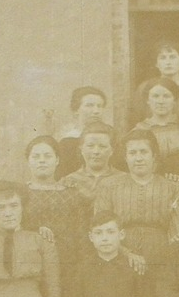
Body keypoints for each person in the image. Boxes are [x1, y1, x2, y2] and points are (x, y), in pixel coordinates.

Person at [92, 130, 179, 264]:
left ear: (154, 156)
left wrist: (165, 258)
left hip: (162, 256)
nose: (138, 158)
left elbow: (177, 231)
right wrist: (126, 254)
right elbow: (101, 227)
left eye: (144, 152)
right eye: (132, 153)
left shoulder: (173, 188)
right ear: (125, 157)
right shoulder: (109, 186)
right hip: (118, 255)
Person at [22, 134, 88, 264]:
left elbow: (81, 236)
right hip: (30, 262)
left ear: (57, 160)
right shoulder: (20, 194)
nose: (42, 160)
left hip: (67, 262)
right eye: (36, 156)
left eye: (48, 156)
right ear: (28, 161)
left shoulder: (72, 193)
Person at [56, 87, 113, 177]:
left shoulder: (112, 137)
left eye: (100, 106)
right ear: (76, 110)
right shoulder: (67, 142)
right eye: (89, 105)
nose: (96, 111)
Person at [59, 122, 122, 202]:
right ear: (81, 149)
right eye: (90, 146)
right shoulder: (67, 181)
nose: (96, 151)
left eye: (102, 146)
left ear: (112, 150)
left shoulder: (124, 180)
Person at [128, 77, 179, 157]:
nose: (161, 101)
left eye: (166, 96)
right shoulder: (139, 130)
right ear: (148, 100)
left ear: (174, 100)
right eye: (155, 96)